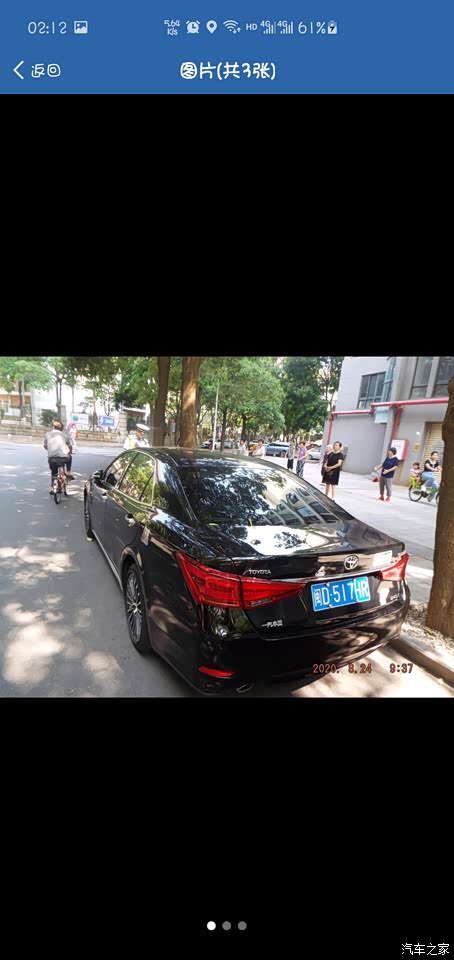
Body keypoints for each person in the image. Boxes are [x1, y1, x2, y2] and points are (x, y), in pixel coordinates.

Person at [44, 419, 74, 493]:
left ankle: (52, 488)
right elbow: (70, 446)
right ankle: (68, 471)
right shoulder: (64, 436)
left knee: (54, 472)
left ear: (53, 427)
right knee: (70, 456)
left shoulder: (47, 434)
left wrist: (50, 450)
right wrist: (70, 452)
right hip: (63, 458)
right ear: (61, 428)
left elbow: (45, 445)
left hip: (52, 459)